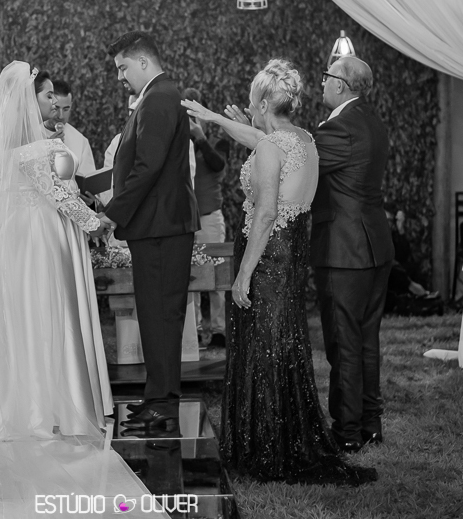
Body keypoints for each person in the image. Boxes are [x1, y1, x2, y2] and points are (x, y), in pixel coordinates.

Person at [0, 61, 155, 518]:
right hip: (41, 240)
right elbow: (61, 195)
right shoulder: (38, 147)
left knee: (26, 314)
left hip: (23, 237)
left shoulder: (13, 149)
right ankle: (43, 404)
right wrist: (100, 224)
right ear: (31, 100)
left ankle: (30, 398)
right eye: (46, 95)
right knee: (43, 312)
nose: (52, 102)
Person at [183, 58, 375, 485]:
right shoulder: (303, 139)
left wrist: (242, 274)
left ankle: (266, 448)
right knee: (281, 344)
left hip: (267, 258)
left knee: (263, 349)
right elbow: (259, 138)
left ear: (266, 103)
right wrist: (216, 118)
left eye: (253, 100)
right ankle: (282, 437)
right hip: (290, 259)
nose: (250, 107)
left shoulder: (272, 147)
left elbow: (266, 213)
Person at [98, 31, 200, 433]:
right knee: (157, 316)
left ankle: (163, 405)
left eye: (123, 67)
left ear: (143, 62)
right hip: (159, 225)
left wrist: (111, 215)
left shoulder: (158, 98)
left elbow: (148, 167)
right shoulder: (159, 95)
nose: (120, 77)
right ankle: (158, 398)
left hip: (161, 227)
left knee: (160, 316)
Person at [312, 55, 393, 452]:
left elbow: (300, 164)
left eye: (326, 77)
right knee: (366, 340)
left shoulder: (339, 127)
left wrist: (265, 131)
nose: (322, 83)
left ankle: (346, 432)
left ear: (340, 85)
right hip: (375, 245)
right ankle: (370, 424)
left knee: (344, 343)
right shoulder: (373, 120)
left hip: (345, 250)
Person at [182, 87, 229, 347]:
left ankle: (220, 330)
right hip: (187, 220)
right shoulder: (179, 143)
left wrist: (200, 138)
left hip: (209, 218)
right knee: (191, 276)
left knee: (217, 275)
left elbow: (218, 164)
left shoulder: (218, 141)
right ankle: (197, 329)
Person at [48, 79, 97, 176]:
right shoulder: (32, 132)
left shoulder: (81, 141)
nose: (61, 116)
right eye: (56, 108)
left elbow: (88, 179)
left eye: (66, 109)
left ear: (71, 106)